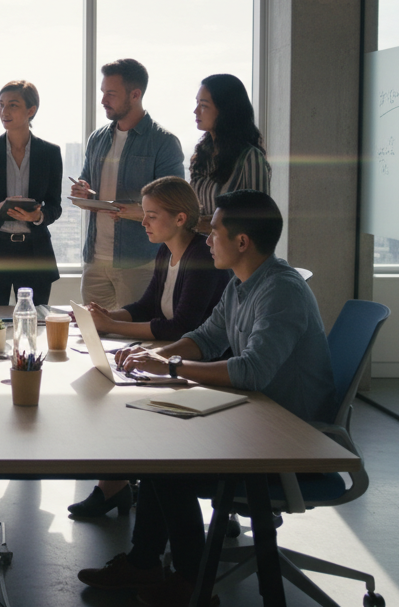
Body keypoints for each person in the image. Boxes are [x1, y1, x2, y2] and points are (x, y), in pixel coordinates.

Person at [77, 190, 336, 607]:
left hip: (290, 439)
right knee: (155, 446)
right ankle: (149, 564)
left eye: (214, 230)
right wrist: (155, 356)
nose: (207, 237)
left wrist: (172, 368)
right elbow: (206, 337)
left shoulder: (280, 292)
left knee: (166, 465)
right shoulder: (242, 283)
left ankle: (190, 582)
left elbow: (252, 371)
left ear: (241, 242)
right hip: (258, 418)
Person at [67, 176, 230, 519]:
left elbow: (181, 325)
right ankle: (114, 487)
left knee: (123, 400)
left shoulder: (201, 256)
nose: (143, 222)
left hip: (202, 364)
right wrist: (108, 316)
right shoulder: (165, 251)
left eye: (152, 215)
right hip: (175, 351)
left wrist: (112, 326)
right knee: (111, 390)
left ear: (180, 218)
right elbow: (146, 307)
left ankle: (114, 489)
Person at [71, 59, 185, 311]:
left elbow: (176, 206)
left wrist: (134, 211)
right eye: (102, 93)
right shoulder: (97, 138)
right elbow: (86, 182)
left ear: (135, 95)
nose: (103, 100)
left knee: (134, 342)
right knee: (93, 336)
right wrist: (81, 189)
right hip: (95, 261)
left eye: (110, 94)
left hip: (139, 263)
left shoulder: (163, 142)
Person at [0, 80, 64, 306]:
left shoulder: (50, 153)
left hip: (34, 252)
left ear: (31, 110)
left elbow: (54, 206)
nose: (4, 111)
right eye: (1, 105)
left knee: (34, 323)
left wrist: (37, 217)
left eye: (13, 105)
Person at [189, 73, 270, 230]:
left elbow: (260, 221)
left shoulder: (249, 158)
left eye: (204, 105)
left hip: (232, 252)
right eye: (197, 103)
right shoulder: (200, 156)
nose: (196, 111)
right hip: (199, 249)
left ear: (225, 110)